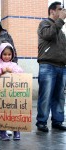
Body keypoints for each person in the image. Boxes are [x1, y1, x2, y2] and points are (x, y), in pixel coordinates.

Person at [36, 1, 66, 132]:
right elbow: (48, 34)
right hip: (47, 65)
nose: (62, 11)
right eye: (60, 9)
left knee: (59, 96)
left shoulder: (61, 31)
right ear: (52, 11)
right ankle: (41, 122)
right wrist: (60, 20)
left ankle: (57, 121)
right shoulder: (44, 24)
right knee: (46, 95)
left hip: (61, 66)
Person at [0, 42, 23, 140]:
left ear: (12, 55)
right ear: (0, 54)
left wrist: (12, 70)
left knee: (14, 112)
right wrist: (1, 70)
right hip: (1, 93)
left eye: (9, 54)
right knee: (3, 113)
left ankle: (17, 131)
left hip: (13, 93)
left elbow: (21, 73)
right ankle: (2, 132)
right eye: (5, 54)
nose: (7, 56)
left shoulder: (14, 65)